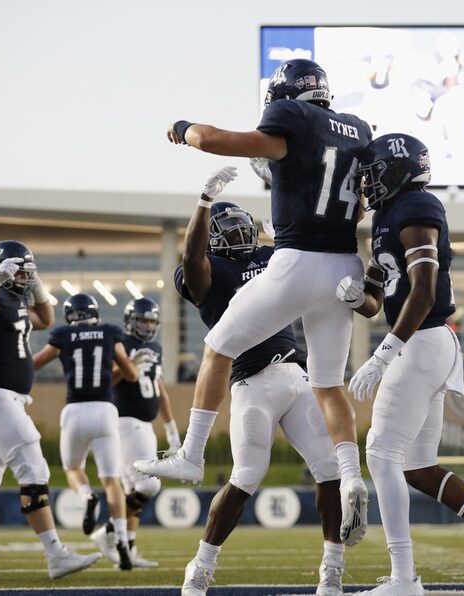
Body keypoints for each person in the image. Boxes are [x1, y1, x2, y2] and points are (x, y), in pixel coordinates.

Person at [136, 58, 373, 547]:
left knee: (218, 344)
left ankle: (192, 453)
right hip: (343, 264)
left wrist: (183, 129)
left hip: (298, 260)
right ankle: (352, 475)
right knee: (330, 384)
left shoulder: (290, 119)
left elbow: (219, 139)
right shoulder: (358, 128)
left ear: (284, 94)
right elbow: (361, 198)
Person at [338, 133, 464, 595]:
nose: (368, 182)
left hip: (423, 341)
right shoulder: (388, 217)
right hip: (426, 344)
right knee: (417, 467)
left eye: (374, 172)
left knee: (379, 453)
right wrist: (357, 298)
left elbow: (425, 291)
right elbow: (376, 299)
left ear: (397, 169)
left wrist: (383, 352)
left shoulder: (416, 208)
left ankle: (404, 578)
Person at [164, 168, 346, 596]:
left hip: (297, 375)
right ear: (210, 238)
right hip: (251, 382)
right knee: (246, 475)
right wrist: (205, 202)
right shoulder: (207, 272)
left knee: (330, 471)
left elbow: (304, 264)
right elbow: (192, 262)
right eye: (227, 232)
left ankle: (332, 569)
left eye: (243, 228)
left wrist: (286, 233)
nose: (239, 235)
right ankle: (202, 565)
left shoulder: (268, 259)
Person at [0, 240, 100, 581]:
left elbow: (45, 318)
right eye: (19, 270)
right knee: (35, 472)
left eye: (28, 271)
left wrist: (36, 285)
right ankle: (56, 555)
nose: (24, 276)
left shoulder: (15, 297)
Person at [33, 292, 143, 571]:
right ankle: (121, 540)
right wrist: (118, 370)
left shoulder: (62, 335)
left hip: (75, 410)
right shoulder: (108, 332)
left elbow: (34, 364)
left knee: (72, 468)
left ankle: (85, 496)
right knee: (112, 482)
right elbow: (131, 375)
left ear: (69, 315)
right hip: (105, 410)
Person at [89, 297, 182, 569]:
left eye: (152, 321)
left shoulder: (155, 347)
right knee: (148, 484)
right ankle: (107, 531)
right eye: (142, 320)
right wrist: (128, 365)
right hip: (125, 421)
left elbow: (159, 389)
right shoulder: (121, 343)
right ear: (130, 320)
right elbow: (105, 382)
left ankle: (127, 551)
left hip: (145, 424)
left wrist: (171, 428)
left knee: (132, 489)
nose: (147, 325)